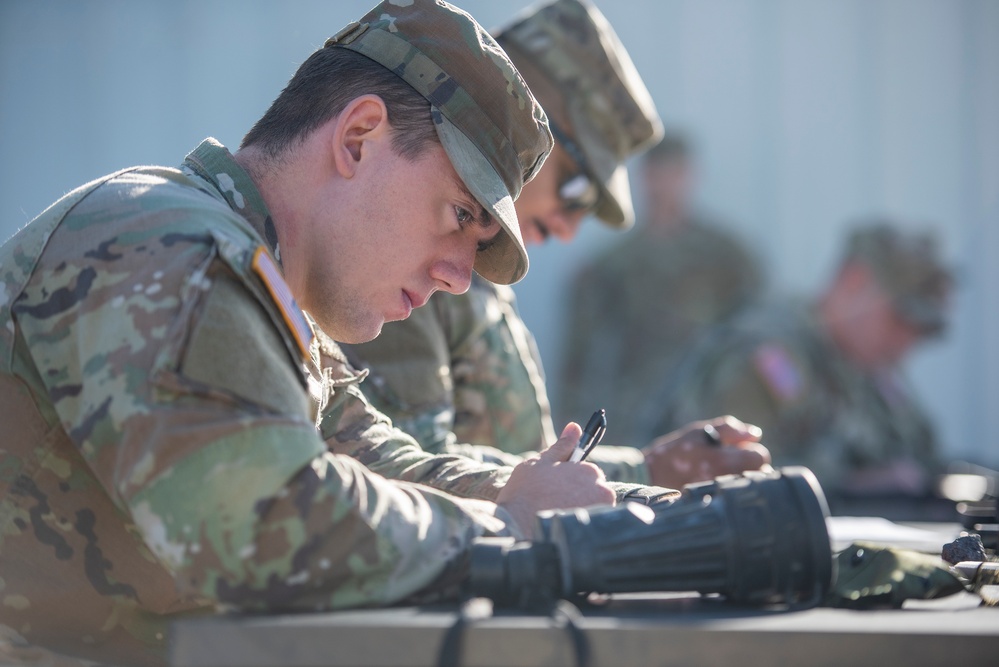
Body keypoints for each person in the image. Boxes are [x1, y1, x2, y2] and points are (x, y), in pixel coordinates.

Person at [0, 2, 620, 665]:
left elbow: (383, 465)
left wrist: (623, 505)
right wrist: (515, 524)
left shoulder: (268, 295)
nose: (459, 277)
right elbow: (272, 527)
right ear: (358, 137)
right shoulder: (168, 246)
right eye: (458, 213)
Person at [342, 0, 770, 491]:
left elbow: (522, 462)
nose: (568, 229)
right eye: (575, 191)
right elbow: (406, 475)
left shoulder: (476, 273)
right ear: (518, 121)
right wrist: (641, 476)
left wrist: (650, 470)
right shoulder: (413, 265)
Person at [652, 222, 953, 506]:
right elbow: (723, 479)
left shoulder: (869, 370)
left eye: (919, 331)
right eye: (899, 319)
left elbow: (920, 454)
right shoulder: (769, 354)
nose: (906, 341)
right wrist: (852, 484)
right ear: (854, 281)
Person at [557, 132, 765, 445]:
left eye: (676, 173)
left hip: (708, 409)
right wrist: (568, 423)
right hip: (637, 414)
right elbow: (581, 355)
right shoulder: (614, 263)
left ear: (690, 177)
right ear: (645, 178)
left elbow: (759, 329)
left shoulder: (726, 255)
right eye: (659, 173)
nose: (667, 184)